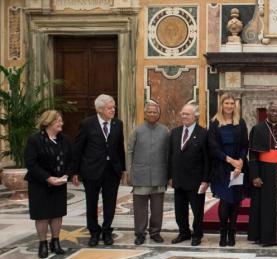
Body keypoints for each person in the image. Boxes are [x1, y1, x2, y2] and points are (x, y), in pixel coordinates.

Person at [72, 94, 126, 247]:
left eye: (114, 107)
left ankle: (107, 231)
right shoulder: (87, 124)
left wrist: (122, 168)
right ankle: (94, 232)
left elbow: (120, 147)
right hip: (91, 170)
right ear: (100, 109)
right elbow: (78, 149)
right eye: (110, 108)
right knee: (91, 203)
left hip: (112, 171)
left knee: (110, 203)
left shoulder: (118, 124)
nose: (113, 110)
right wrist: (74, 171)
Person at [25, 110, 75, 258]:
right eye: (58, 121)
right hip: (39, 183)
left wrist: (67, 174)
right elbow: (31, 163)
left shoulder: (64, 139)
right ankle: (43, 243)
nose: (61, 124)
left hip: (59, 183)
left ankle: (55, 241)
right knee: (42, 215)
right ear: (48, 122)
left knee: (57, 213)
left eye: (61, 121)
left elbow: (72, 159)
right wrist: (48, 178)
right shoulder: (34, 140)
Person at [248, 100, 277, 246]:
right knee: (264, 205)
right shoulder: (258, 129)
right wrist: (254, 175)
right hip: (264, 172)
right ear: (267, 112)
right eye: (272, 110)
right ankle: (264, 237)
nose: (275, 113)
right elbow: (253, 154)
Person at [207, 93, 248, 247]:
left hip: (238, 168)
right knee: (225, 201)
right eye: (227, 103)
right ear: (221, 105)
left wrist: (240, 162)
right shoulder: (214, 123)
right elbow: (213, 147)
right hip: (221, 168)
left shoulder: (240, 123)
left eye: (232, 103)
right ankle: (223, 232)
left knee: (236, 201)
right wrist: (230, 161)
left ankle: (232, 232)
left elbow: (245, 144)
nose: (229, 106)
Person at [127, 101, 170, 245]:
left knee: (157, 208)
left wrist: (169, 175)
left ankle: (155, 232)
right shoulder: (137, 130)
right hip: (140, 175)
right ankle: (140, 233)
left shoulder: (165, 131)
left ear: (159, 114)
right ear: (145, 114)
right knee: (140, 208)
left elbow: (169, 153)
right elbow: (129, 151)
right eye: (149, 112)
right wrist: (129, 171)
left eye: (155, 112)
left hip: (159, 174)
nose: (152, 114)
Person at [168, 102, 210, 246]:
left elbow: (207, 159)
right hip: (179, 179)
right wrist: (170, 176)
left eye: (187, 114)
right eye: (182, 113)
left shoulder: (203, 133)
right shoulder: (175, 132)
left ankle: (197, 234)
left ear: (195, 116)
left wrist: (205, 180)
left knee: (197, 210)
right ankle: (184, 232)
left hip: (196, 180)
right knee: (180, 210)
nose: (183, 116)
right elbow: (171, 155)